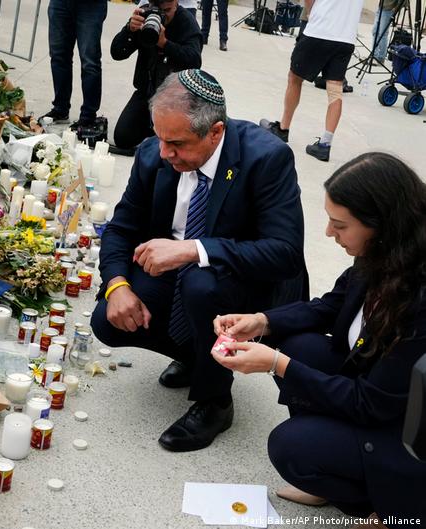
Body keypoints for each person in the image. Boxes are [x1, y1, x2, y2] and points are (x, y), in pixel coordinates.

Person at [91, 70, 306, 452]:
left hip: (250, 282)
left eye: (176, 143)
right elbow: (121, 229)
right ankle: (197, 355)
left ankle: (215, 401)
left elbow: (284, 252)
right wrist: (117, 286)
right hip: (182, 275)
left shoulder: (266, 157)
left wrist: (194, 249)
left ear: (216, 132)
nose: (164, 153)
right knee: (107, 320)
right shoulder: (154, 153)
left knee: (200, 284)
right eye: (160, 138)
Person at [212, 152, 426, 528]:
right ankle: (338, 466)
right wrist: (262, 321)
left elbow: (370, 404)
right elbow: (330, 305)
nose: (329, 233)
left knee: (290, 447)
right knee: (300, 346)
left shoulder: (419, 299)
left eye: (339, 225)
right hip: (377, 391)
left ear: (380, 223)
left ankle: (394, 508)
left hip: (405, 430)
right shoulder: (384, 251)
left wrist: (276, 364)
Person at [259, 0, 364, 162]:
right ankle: (325, 144)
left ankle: (283, 128)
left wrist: (310, 12)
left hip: (319, 31)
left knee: (294, 78)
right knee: (335, 90)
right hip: (346, 37)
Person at [109, 0, 202, 154]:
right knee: (123, 138)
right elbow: (117, 53)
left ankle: (156, 131)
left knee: (167, 147)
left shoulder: (186, 21)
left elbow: (194, 61)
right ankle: (152, 129)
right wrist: (129, 30)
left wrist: (165, 44)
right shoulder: (144, 16)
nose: (162, 16)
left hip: (175, 100)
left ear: (176, 3)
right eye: (158, 10)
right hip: (146, 92)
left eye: (167, 10)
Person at [38, 0, 108, 130]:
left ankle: (88, 116)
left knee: (90, 62)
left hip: (91, 6)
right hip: (60, 3)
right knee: (58, 56)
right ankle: (60, 108)